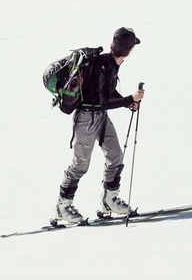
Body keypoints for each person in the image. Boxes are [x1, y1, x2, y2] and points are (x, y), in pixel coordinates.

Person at [55, 27, 145, 224]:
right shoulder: (106, 66)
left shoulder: (109, 63)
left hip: (99, 116)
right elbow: (103, 100)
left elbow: (105, 93)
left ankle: (109, 200)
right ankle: (63, 205)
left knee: (115, 156)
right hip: (87, 119)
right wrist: (129, 98)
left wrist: (127, 101)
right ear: (129, 50)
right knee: (80, 165)